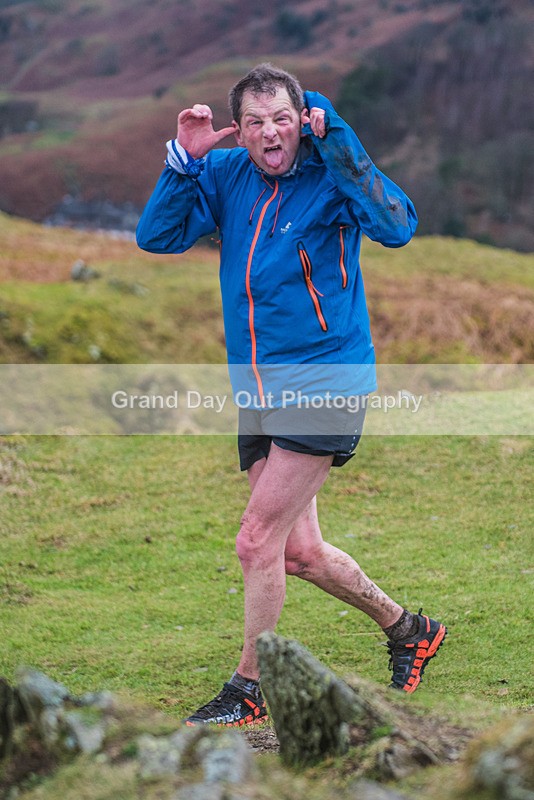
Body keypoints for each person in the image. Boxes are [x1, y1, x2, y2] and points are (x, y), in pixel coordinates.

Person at [136, 63, 446, 726]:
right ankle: (409, 629)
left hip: (326, 380)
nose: (269, 132)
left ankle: (249, 688)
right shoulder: (226, 176)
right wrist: (184, 164)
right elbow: (157, 237)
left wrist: (340, 143)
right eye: (254, 122)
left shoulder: (331, 175)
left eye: (281, 117)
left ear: (301, 120)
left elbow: (397, 226)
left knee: (255, 540)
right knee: (297, 552)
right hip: (258, 384)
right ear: (240, 133)